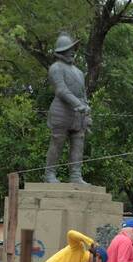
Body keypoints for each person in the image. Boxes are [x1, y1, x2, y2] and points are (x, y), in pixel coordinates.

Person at [44, 32, 92, 184]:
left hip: (78, 114)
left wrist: (87, 114)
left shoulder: (79, 72)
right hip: (61, 111)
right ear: (61, 51)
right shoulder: (56, 68)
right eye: (69, 49)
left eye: (73, 49)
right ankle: (49, 174)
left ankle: (76, 175)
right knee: (57, 142)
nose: (72, 51)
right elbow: (61, 90)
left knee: (78, 143)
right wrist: (78, 105)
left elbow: (84, 94)